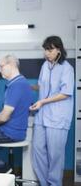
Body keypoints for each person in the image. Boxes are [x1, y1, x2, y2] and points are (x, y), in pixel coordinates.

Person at [29, 36, 74, 186]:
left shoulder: (67, 68)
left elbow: (65, 93)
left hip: (58, 117)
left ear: (59, 50)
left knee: (55, 155)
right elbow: (42, 86)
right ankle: (44, 183)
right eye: (45, 50)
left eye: (50, 49)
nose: (47, 53)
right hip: (42, 115)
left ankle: (54, 183)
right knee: (37, 151)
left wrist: (42, 101)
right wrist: (28, 87)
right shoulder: (45, 66)